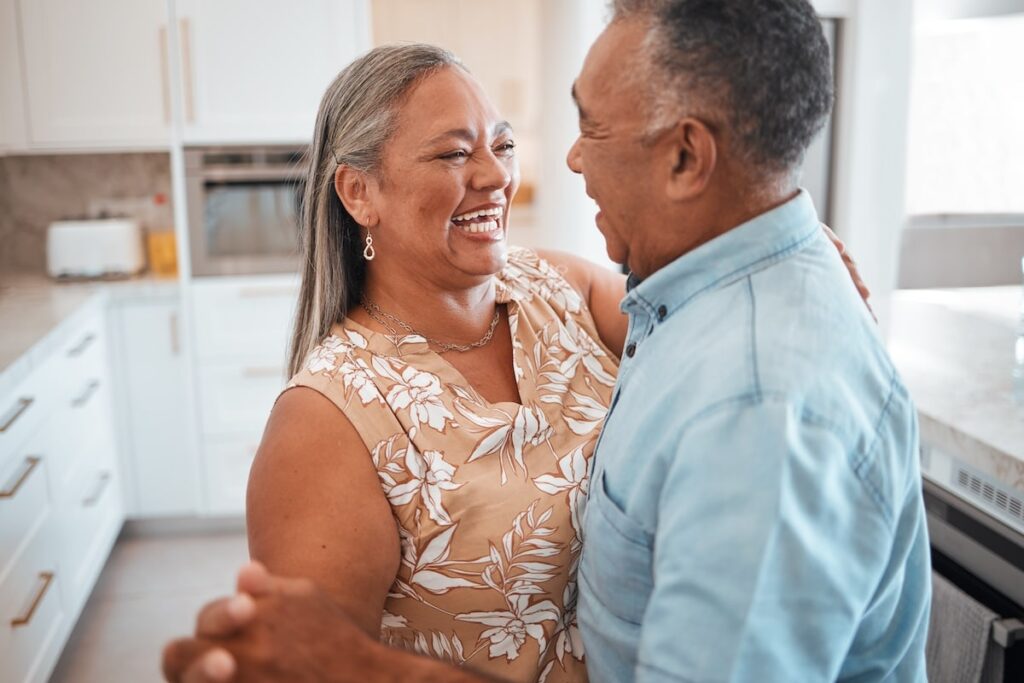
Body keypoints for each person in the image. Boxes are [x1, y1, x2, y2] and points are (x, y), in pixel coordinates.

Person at [161, 0, 925, 681]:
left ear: (689, 156)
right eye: (453, 153)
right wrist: (774, 231)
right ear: (360, 192)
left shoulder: (561, 293)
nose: (497, 175)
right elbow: (308, 662)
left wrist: (784, 230)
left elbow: (708, 298)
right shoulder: (326, 424)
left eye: (500, 143)